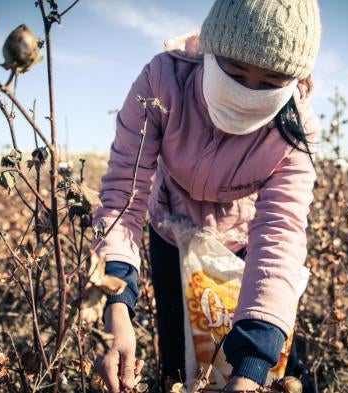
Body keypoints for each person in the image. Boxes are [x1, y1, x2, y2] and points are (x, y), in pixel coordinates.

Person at [94, 0, 321, 391]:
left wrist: (252, 365)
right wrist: (115, 302)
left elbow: (279, 237)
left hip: (246, 243)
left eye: (269, 85)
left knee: (275, 363)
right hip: (171, 233)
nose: (246, 93)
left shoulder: (294, 128)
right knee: (179, 362)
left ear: (294, 80)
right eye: (233, 71)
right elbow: (122, 199)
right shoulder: (162, 81)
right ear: (209, 53)